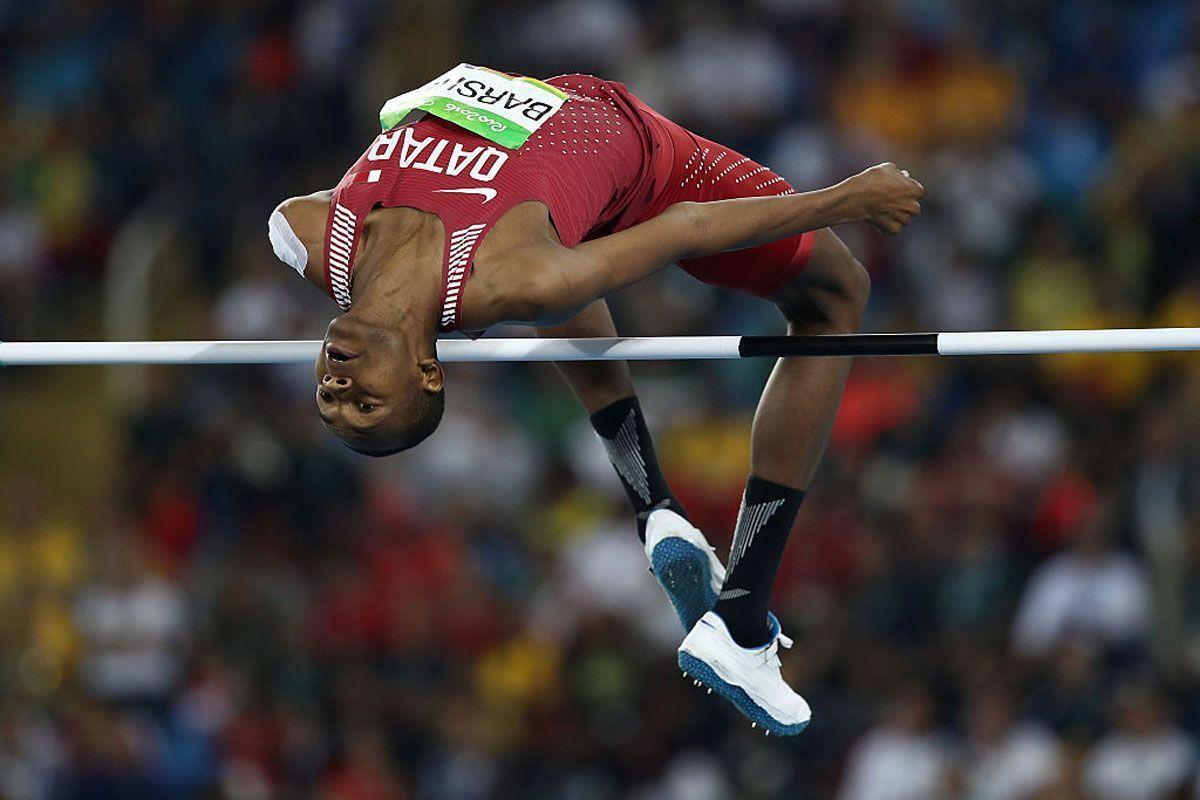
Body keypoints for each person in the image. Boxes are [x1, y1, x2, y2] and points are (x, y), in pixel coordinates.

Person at [268, 64, 923, 736]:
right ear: (428, 372)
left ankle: (656, 510)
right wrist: (845, 198)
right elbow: (689, 226)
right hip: (647, 161)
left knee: (550, 274)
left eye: (330, 398)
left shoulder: (305, 231)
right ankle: (742, 618)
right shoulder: (515, 276)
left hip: (545, 120)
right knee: (837, 293)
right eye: (364, 405)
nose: (338, 389)